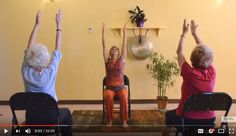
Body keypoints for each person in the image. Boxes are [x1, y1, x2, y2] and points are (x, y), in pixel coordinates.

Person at [22, 10, 72, 136]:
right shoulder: (50, 71)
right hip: (50, 117)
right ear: (46, 58)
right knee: (66, 113)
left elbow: (29, 47)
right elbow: (58, 48)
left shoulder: (25, 70)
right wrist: (59, 25)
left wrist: (37, 24)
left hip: (31, 117)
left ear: (29, 57)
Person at [164, 19, 216, 135]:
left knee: (167, 115)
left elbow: (179, 52)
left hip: (188, 120)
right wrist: (194, 34)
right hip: (209, 120)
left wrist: (184, 34)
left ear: (192, 60)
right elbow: (205, 52)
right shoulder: (212, 72)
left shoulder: (189, 73)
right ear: (209, 59)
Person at [102, 23, 129, 128]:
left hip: (121, 87)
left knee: (124, 96)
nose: (114, 50)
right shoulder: (107, 60)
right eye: (112, 49)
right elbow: (104, 46)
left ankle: (124, 120)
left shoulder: (122, 60)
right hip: (110, 88)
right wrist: (103, 32)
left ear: (118, 53)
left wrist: (125, 32)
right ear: (110, 52)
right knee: (108, 96)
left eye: (116, 49)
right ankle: (109, 120)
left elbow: (125, 46)